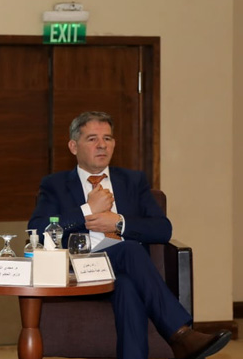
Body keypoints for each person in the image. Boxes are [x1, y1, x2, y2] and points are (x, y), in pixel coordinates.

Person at [28, 111, 230, 359]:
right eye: (92, 139)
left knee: (127, 285)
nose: (102, 145)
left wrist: (119, 223)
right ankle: (180, 334)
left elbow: (163, 229)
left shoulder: (133, 181)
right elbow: (38, 230)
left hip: (127, 271)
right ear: (73, 146)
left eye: (108, 138)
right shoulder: (55, 184)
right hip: (80, 270)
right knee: (130, 249)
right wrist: (87, 210)